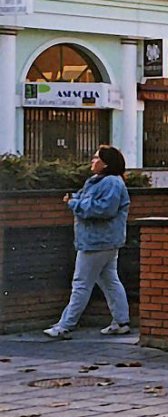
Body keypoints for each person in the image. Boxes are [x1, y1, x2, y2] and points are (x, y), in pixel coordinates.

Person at [44, 145, 132, 339]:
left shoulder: (111, 183)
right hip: (103, 240)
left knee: (81, 283)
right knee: (109, 280)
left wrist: (73, 203)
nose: (92, 161)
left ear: (106, 163)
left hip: (97, 242)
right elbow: (92, 202)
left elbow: (103, 210)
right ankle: (121, 321)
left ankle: (65, 325)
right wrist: (75, 199)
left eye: (95, 158)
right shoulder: (103, 182)